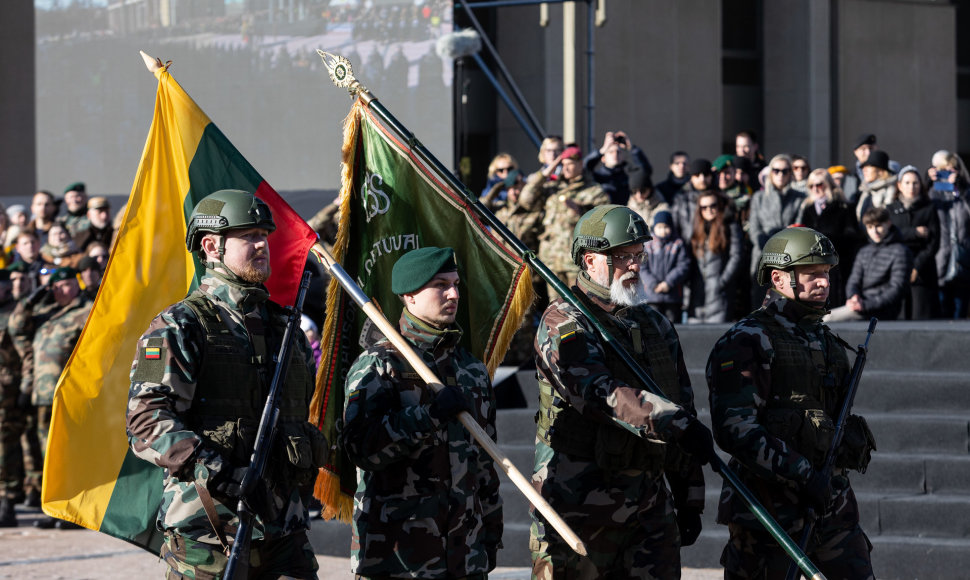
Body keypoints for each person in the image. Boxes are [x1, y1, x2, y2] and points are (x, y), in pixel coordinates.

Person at [127, 190, 327, 578]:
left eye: (263, 235)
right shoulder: (177, 326)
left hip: (285, 530)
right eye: (248, 236)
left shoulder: (286, 329)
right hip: (211, 532)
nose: (261, 245)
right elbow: (145, 422)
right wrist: (220, 473)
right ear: (211, 246)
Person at [530, 205, 714, 579]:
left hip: (648, 504)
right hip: (580, 501)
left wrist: (689, 496)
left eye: (638, 255)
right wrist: (672, 420)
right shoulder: (563, 321)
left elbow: (684, 407)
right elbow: (598, 392)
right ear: (590, 260)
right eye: (622, 257)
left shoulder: (654, 324)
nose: (634, 265)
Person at [707, 226, 876, 580]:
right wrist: (803, 474)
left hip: (832, 504)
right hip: (769, 513)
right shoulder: (748, 340)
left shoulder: (827, 342)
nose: (823, 282)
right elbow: (735, 429)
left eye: (826, 274)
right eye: (812, 274)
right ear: (779, 279)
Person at [341, 246, 502, 579]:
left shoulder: (470, 369)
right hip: (400, 558)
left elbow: (486, 463)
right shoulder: (381, 365)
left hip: (465, 555)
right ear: (409, 296)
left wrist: (491, 532)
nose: (454, 294)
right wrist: (427, 416)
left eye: (456, 284)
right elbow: (361, 448)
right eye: (440, 285)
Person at [10, 267, 93, 529]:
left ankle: (75, 511)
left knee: (70, 454)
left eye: (66, 285)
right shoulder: (46, 313)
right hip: (42, 397)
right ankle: (56, 509)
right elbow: (16, 328)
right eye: (55, 287)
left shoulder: (88, 311)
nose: (60, 291)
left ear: (77, 285)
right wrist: (33, 298)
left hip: (70, 396)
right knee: (49, 459)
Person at [523, 145, 610, 300]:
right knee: (556, 308)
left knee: (582, 305)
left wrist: (581, 209)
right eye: (563, 164)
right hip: (552, 260)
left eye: (570, 164)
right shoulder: (552, 188)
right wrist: (550, 168)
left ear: (581, 164)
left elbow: (605, 221)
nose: (566, 168)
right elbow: (526, 199)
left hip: (576, 261)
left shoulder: (593, 190)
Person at [826, 207, 913, 322]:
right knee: (822, 318)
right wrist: (853, 296)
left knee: (828, 320)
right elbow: (854, 281)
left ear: (888, 223)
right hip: (860, 306)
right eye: (870, 227)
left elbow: (896, 289)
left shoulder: (901, 251)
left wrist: (865, 305)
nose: (875, 231)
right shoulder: (864, 251)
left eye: (878, 226)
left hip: (882, 310)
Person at [796, 169, 862, 307]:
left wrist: (827, 239)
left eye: (819, 184)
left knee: (834, 301)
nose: (815, 189)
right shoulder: (807, 208)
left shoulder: (844, 206)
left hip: (837, 262)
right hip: (812, 261)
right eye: (811, 186)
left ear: (829, 184)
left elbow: (852, 236)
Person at [748, 154, 806, 306]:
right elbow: (754, 229)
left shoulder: (800, 198)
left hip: (790, 258)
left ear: (790, 174)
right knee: (760, 306)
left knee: (787, 306)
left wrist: (778, 235)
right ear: (770, 172)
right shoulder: (759, 197)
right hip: (762, 257)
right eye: (776, 170)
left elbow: (798, 227)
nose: (780, 174)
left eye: (785, 171)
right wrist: (768, 240)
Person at [888, 165, 941, 319]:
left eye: (915, 183)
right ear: (899, 185)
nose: (911, 187)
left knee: (921, 316)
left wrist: (917, 267)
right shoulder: (891, 209)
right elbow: (889, 236)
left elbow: (934, 243)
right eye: (907, 183)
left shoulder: (929, 208)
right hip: (897, 270)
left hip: (923, 272)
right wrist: (914, 233)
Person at [688, 192, 742, 323]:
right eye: (704, 207)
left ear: (720, 206)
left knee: (716, 339)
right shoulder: (696, 229)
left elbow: (736, 256)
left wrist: (722, 282)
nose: (709, 210)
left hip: (719, 294)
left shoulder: (730, 226)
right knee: (693, 340)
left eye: (713, 205)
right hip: (698, 296)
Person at [0, 270, 24, 526]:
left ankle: (8, 500)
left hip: (6, 392)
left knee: (6, 448)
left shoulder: (15, 312)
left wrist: (24, 384)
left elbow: (25, 352)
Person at [642, 210, 690, 323]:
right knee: (653, 325)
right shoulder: (648, 245)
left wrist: (668, 283)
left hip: (672, 296)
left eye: (666, 227)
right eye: (660, 227)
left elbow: (683, 265)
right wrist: (653, 284)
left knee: (673, 325)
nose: (663, 231)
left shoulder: (678, 244)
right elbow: (642, 266)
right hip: (652, 295)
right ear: (654, 227)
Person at [583, 130, 652, 205]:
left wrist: (631, 148)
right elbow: (584, 168)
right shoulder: (597, 176)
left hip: (624, 213)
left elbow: (644, 171)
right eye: (611, 152)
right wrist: (602, 150)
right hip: (604, 213)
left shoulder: (628, 174)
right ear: (603, 158)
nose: (615, 154)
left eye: (618, 152)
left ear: (623, 156)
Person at [856, 150, 898, 222]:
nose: (864, 170)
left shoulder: (891, 190)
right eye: (864, 167)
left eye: (868, 166)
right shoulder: (866, 191)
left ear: (880, 171)